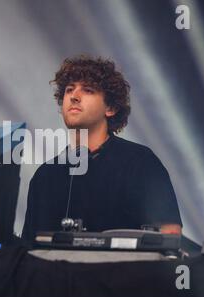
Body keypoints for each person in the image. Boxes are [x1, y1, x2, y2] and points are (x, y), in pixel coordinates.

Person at [21, 55, 182, 243]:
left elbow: (170, 237)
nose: (74, 96)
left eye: (88, 90)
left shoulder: (141, 163)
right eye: (69, 90)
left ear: (111, 108)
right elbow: (27, 250)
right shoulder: (45, 176)